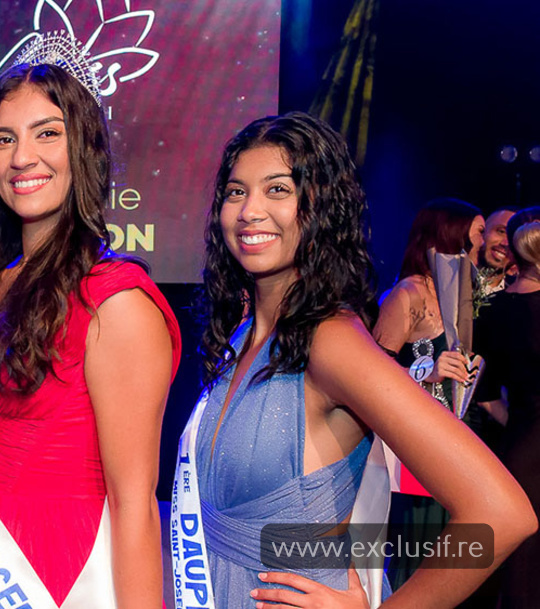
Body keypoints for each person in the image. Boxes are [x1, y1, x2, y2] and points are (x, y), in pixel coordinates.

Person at [172, 112, 535, 608]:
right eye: (236, 192)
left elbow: (501, 513)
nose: (249, 211)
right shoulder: (243, 334)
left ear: (321, 206)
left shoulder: (331, 341)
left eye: (277, 190)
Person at [0, 31, 181, 608]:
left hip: (62, 585)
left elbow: (135, 505)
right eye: (4, 139)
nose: (21, 157)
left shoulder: (115, 302)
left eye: (48, 133)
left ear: (83, 148)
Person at [371, 198, 485, 587]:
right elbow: (371, 374)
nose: (484, 241)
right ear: (452, 232)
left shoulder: (459, 293)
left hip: (456, 435)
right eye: (480, 231)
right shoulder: (409, 293)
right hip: (418, 443)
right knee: (420, 554)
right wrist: (428, 371)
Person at [475, 207, 540, 608]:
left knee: (522, 562)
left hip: (519, 443)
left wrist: (520, 423)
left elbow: (483, 393)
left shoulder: (493, 308)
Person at [479, 208, 518, 297]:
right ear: (483, 229)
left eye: (514, 239)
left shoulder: (518, 295)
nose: (505, 243)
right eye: (501, 231)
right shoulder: (453, 276)